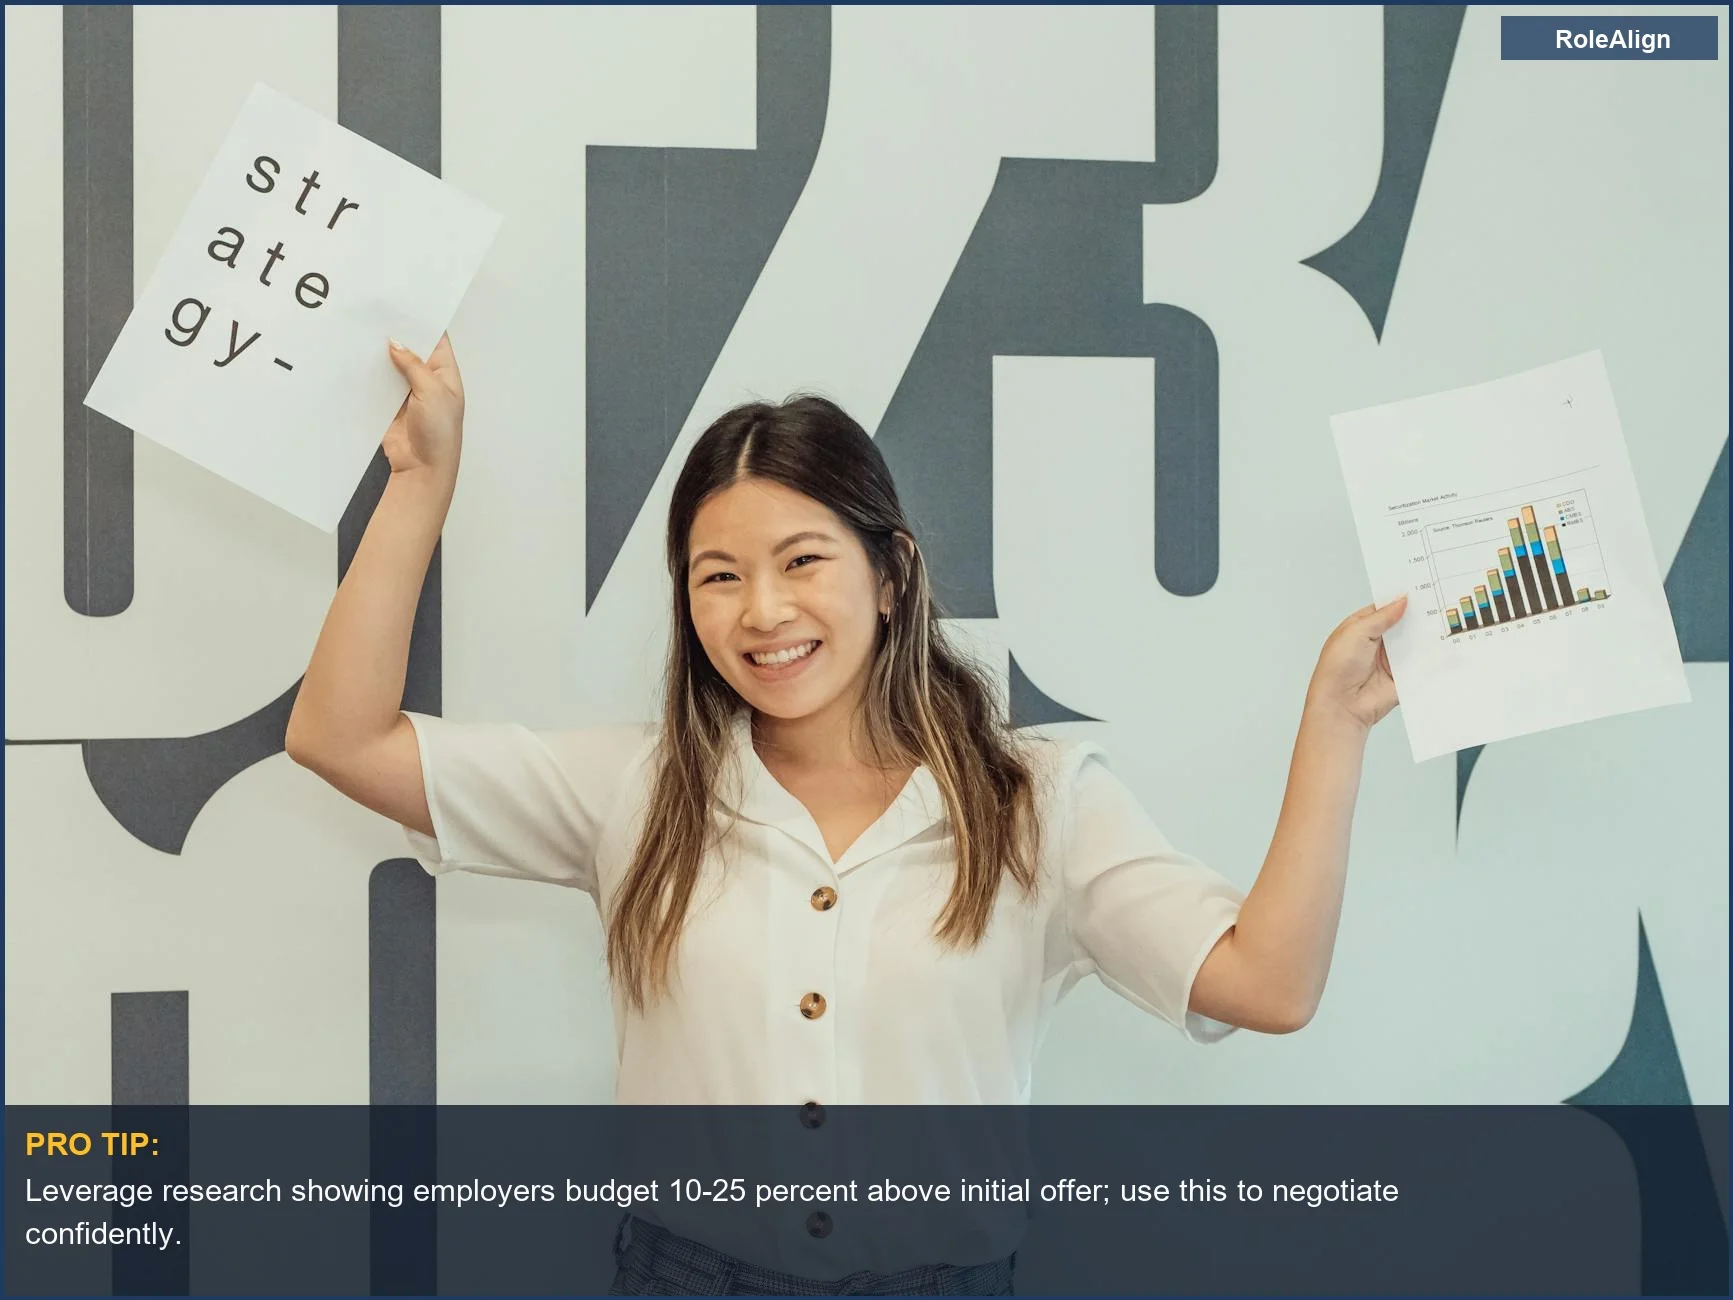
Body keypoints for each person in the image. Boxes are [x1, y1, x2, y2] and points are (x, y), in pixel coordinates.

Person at [285, 335, 1408, 1294]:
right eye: (717, 575)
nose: (761, 610)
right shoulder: (636, 787)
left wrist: (1336, 723)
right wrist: (422, 480)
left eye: (802, 560)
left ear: (891, 573)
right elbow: (341, 736)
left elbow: (1266, 985)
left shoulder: (1036, 803)